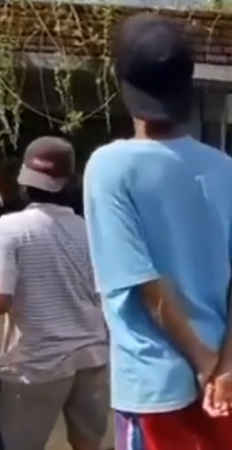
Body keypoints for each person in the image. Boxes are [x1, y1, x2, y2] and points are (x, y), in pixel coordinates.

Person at [83, 14, 232, 449]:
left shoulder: (109, 167)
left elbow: (145, 281)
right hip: (230, 383)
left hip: (155, 384)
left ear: (122, 83)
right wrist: (227, 363)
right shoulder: (224, 168)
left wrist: (202, 364)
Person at [0, 137, 109, 450]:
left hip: (37, 365)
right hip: (92, 357)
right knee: (87, 444)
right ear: (69, 183)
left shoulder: (9, 229)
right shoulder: (91, 231)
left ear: (23, 180)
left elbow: (2, 300)